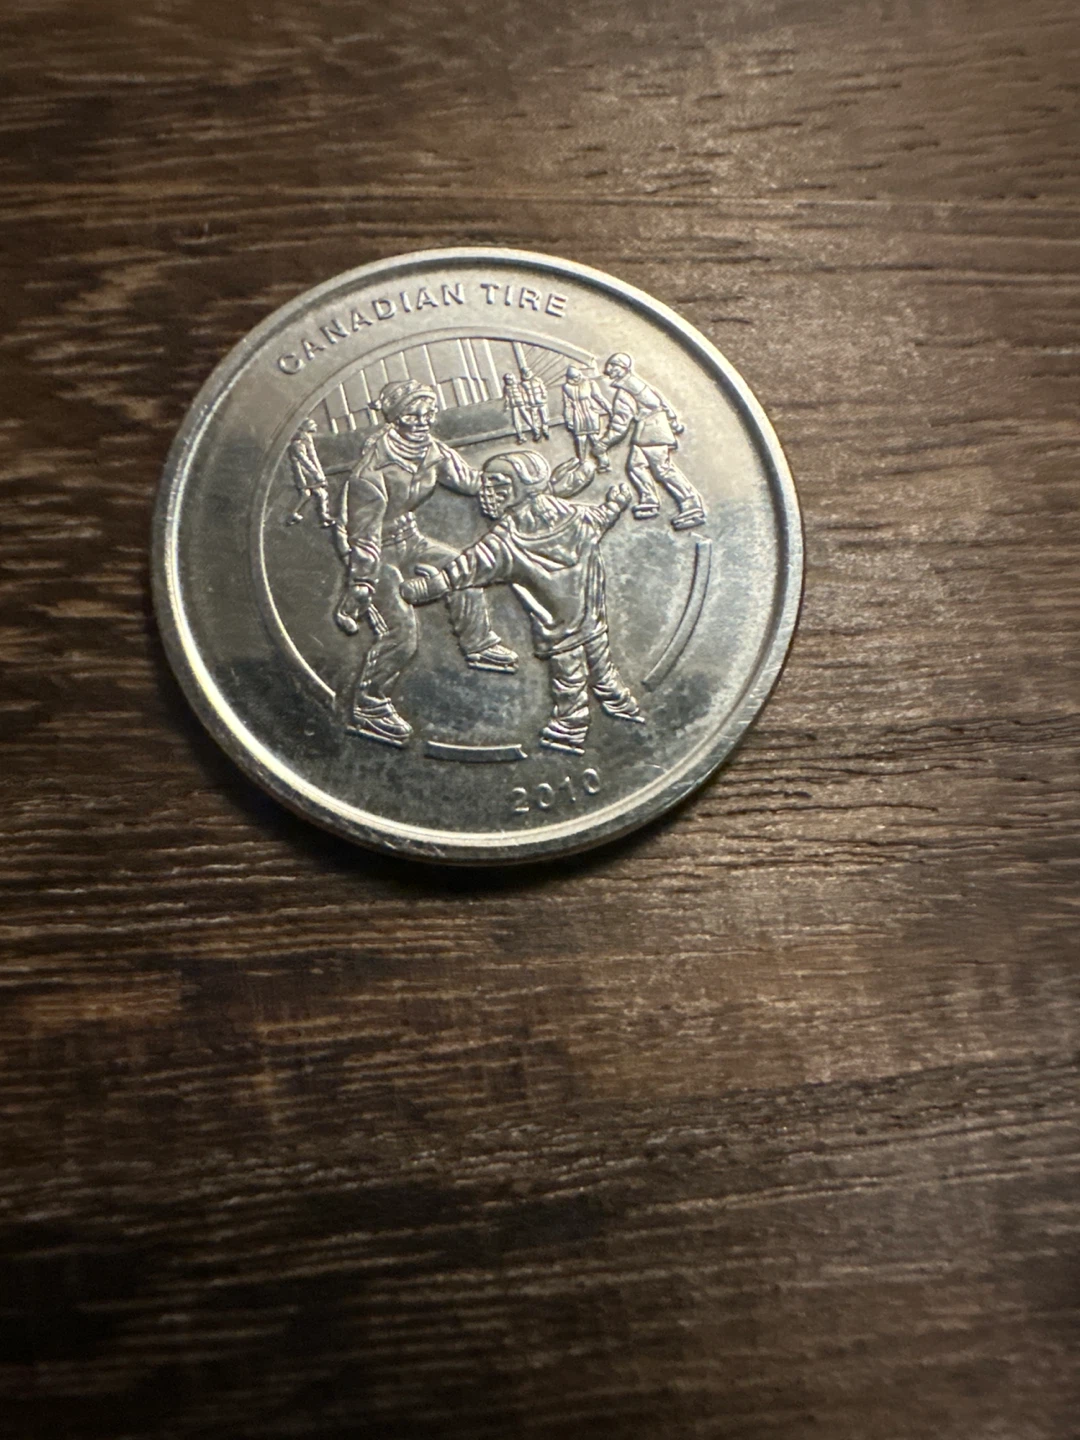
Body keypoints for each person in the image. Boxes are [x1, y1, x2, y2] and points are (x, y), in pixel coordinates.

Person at [401, 450, 643, 756]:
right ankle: (620, 705)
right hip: (591, 618)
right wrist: (617, 503)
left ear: (523, 487)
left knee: (570, 680)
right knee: (602, 669)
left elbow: (463, 569)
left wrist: (426, 588)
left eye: (498, 484)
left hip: (559, 630)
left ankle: (569, 730)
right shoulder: (579, 518)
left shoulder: (506, 542)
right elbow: (604, 516)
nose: (487, 492)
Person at [333, 379, 517, 747]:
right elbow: (363, 536)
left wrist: (505, 483)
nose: (422, 421)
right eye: (412, 414)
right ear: (395, 417)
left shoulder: (433, 450)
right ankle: (369, 704)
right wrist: (362, 584)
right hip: (372, 550)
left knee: (464, 570)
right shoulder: (370, 473)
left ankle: (478, 643)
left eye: (428, 413)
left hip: (409, 537)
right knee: (402, 632)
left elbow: (469, 481)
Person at [596, 353, 706, 530]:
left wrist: (604, 443)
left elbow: (620, 423)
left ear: (622, 368)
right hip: (648, 433)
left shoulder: (625, 391)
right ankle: (649, 501)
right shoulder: (638, 384)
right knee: (635, 466)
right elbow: (662, 402)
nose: (608, 370)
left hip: (652, 434)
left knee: (662, 469)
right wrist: (673, 422)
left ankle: (692, 505)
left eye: (612, 366)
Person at [561, 364, 612, 470]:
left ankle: (604, 462)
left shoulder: (589, 383)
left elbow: (599, 397)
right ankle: (582, 463)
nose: (576, 379)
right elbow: (567, 405)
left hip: (590, 413)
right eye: (573, 378)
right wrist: (568, 419)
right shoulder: (566, 387)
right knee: (580, 439)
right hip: (578, 416)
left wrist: (609, 409)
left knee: (594, 438)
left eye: (577, 376)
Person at [285, 418, 333, 526]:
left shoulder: (306, 442)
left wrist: (319, 474)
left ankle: (323, 517)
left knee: (322, 493)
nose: (315, 426)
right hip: (302, 473)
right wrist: (316, 475)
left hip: (309, 473)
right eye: (312, 426)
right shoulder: (297, 445)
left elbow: (313, 458)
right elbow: (304, 461)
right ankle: (292, 514)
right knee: (306, 494)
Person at [520, 367, 550, 440]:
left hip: (541, 402)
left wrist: (544, 395)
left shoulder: (537, 380)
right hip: (532, 404)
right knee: (534, 419)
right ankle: (537, 433)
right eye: (525, 373)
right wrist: (526, 403)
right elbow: (524, 394)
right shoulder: (523, 384)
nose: (527, 374)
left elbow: (543, 388)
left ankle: (545, 430)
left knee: (544, 417)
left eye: (528, 372)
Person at [502, 372, 530, 443]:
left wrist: (526, 403)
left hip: (521, 404)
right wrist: (506, 405)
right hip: (513, 405)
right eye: (506, 380)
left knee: (526, 416)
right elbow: (506, 397)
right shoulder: (506, 388)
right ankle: (520, 436)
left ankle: (535, 429)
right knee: (516, 421)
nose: (508, 381)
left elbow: (523, 394)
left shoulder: (518, 386)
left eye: (509, 379)